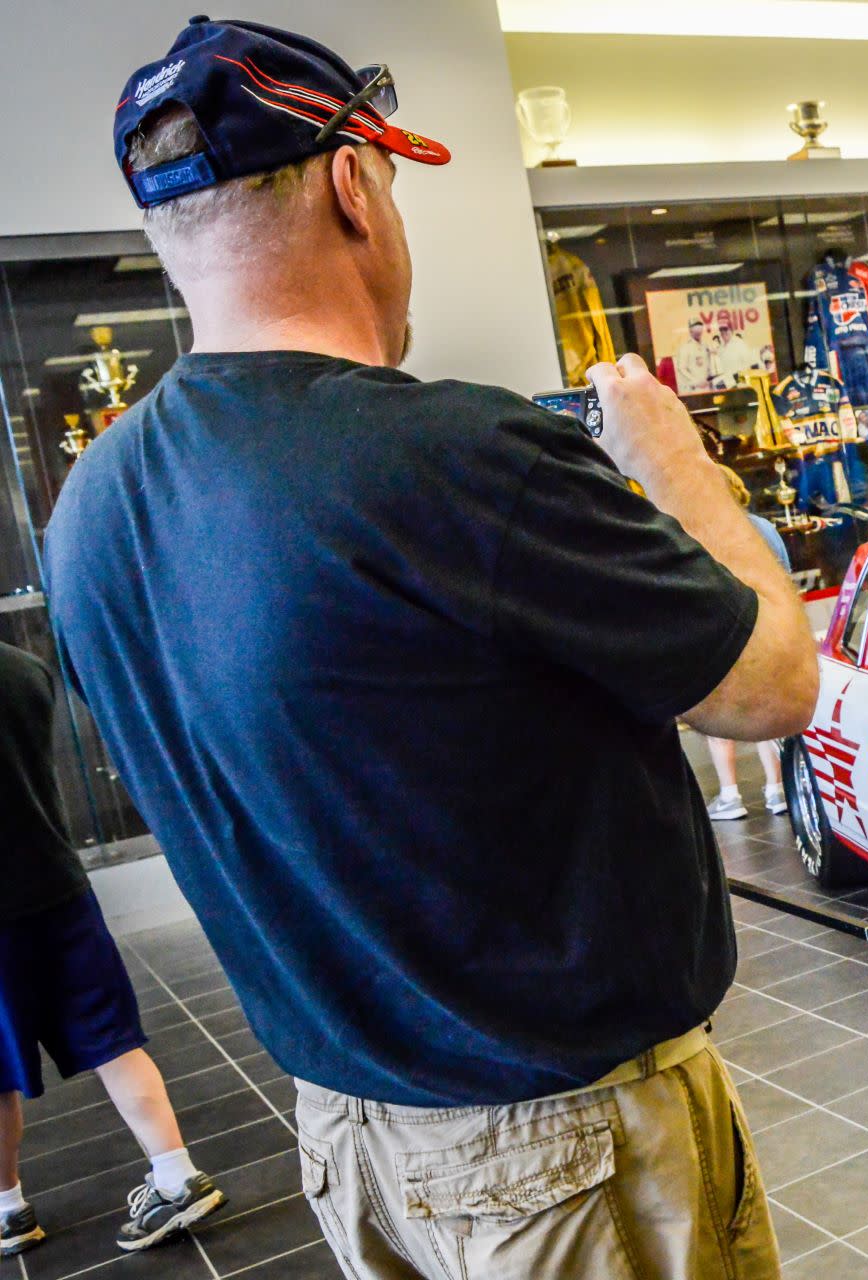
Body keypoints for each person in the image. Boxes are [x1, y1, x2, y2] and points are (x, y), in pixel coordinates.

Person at [51, 20, 814, 1278]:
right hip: (559, 1145)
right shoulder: (456, 454)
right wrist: (678, 467)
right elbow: (775, 681)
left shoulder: (93, 507)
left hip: (350, 1137)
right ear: (355, 183)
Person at [0, 643, 225, 1257]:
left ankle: (7, 1211)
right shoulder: (25, 668)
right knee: (112, 1040)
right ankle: (176, 1176)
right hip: (57, 888)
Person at [707, 464, 791, 821]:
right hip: (767, 629)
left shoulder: (707, 534)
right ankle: (776, 790)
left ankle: (730, 795)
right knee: (765, 712)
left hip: (724, 633)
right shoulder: (766, 529)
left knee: (718, 716)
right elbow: (786, 578)